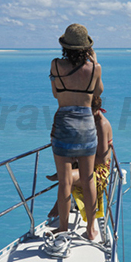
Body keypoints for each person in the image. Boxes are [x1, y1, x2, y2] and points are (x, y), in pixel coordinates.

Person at [49, 23, 103, 240]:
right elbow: (97, 91)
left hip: (63, 124)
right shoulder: (95, 69)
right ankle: (91, 229)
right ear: (86, 48)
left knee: (64, 181)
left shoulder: (55, 65)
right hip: (87, 126)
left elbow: (55, 94)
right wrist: (95, 62)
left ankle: (63, 227)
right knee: (88, 178)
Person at [46, 96, 113, 227]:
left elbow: (102, 159)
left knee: (67, 177)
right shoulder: (89, 121)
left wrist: (77, 157)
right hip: (87, 163)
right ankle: (59, 198)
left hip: (99, 170)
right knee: (65, 169)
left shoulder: (101, 124)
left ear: (94, 109)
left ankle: (59, 209)